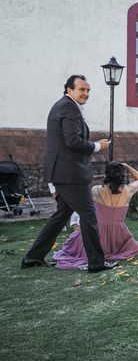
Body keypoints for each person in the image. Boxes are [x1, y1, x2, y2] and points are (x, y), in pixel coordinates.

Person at [22, 75, 115, 273]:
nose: (86, 94)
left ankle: (33, 257)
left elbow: (67, 141)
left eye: (88, 90)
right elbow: (73, 142)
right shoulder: (68, 107)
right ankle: (97, 262)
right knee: (89, 216)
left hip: (64, 172)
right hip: (70, 174)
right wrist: (99, 146)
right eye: (82, 89)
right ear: (69, 90)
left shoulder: (64, 106)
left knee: (61, 216)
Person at [53, 162, 138, 268]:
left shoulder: (95, 190)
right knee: (131, 246)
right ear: (121, 175)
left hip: (96, 234)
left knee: (79, 241)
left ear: (106, 175)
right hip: (119, 238)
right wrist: (127, 166)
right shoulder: (129, 190)